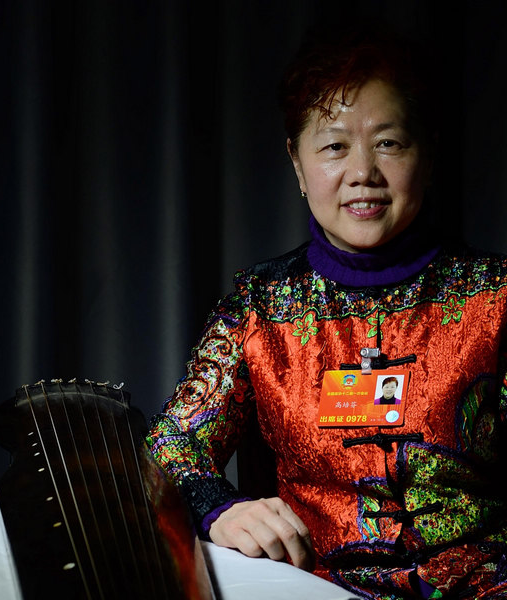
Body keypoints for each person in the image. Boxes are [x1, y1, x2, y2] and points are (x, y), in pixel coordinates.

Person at [146, 24, 507, 600]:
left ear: (428, 155)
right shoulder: (260, 306)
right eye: (335, 145)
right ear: (297, 162)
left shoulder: (495, 297)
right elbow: (169, 450)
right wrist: (217, 507)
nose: (362, 171)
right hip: (310, 589)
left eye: (388, 143)